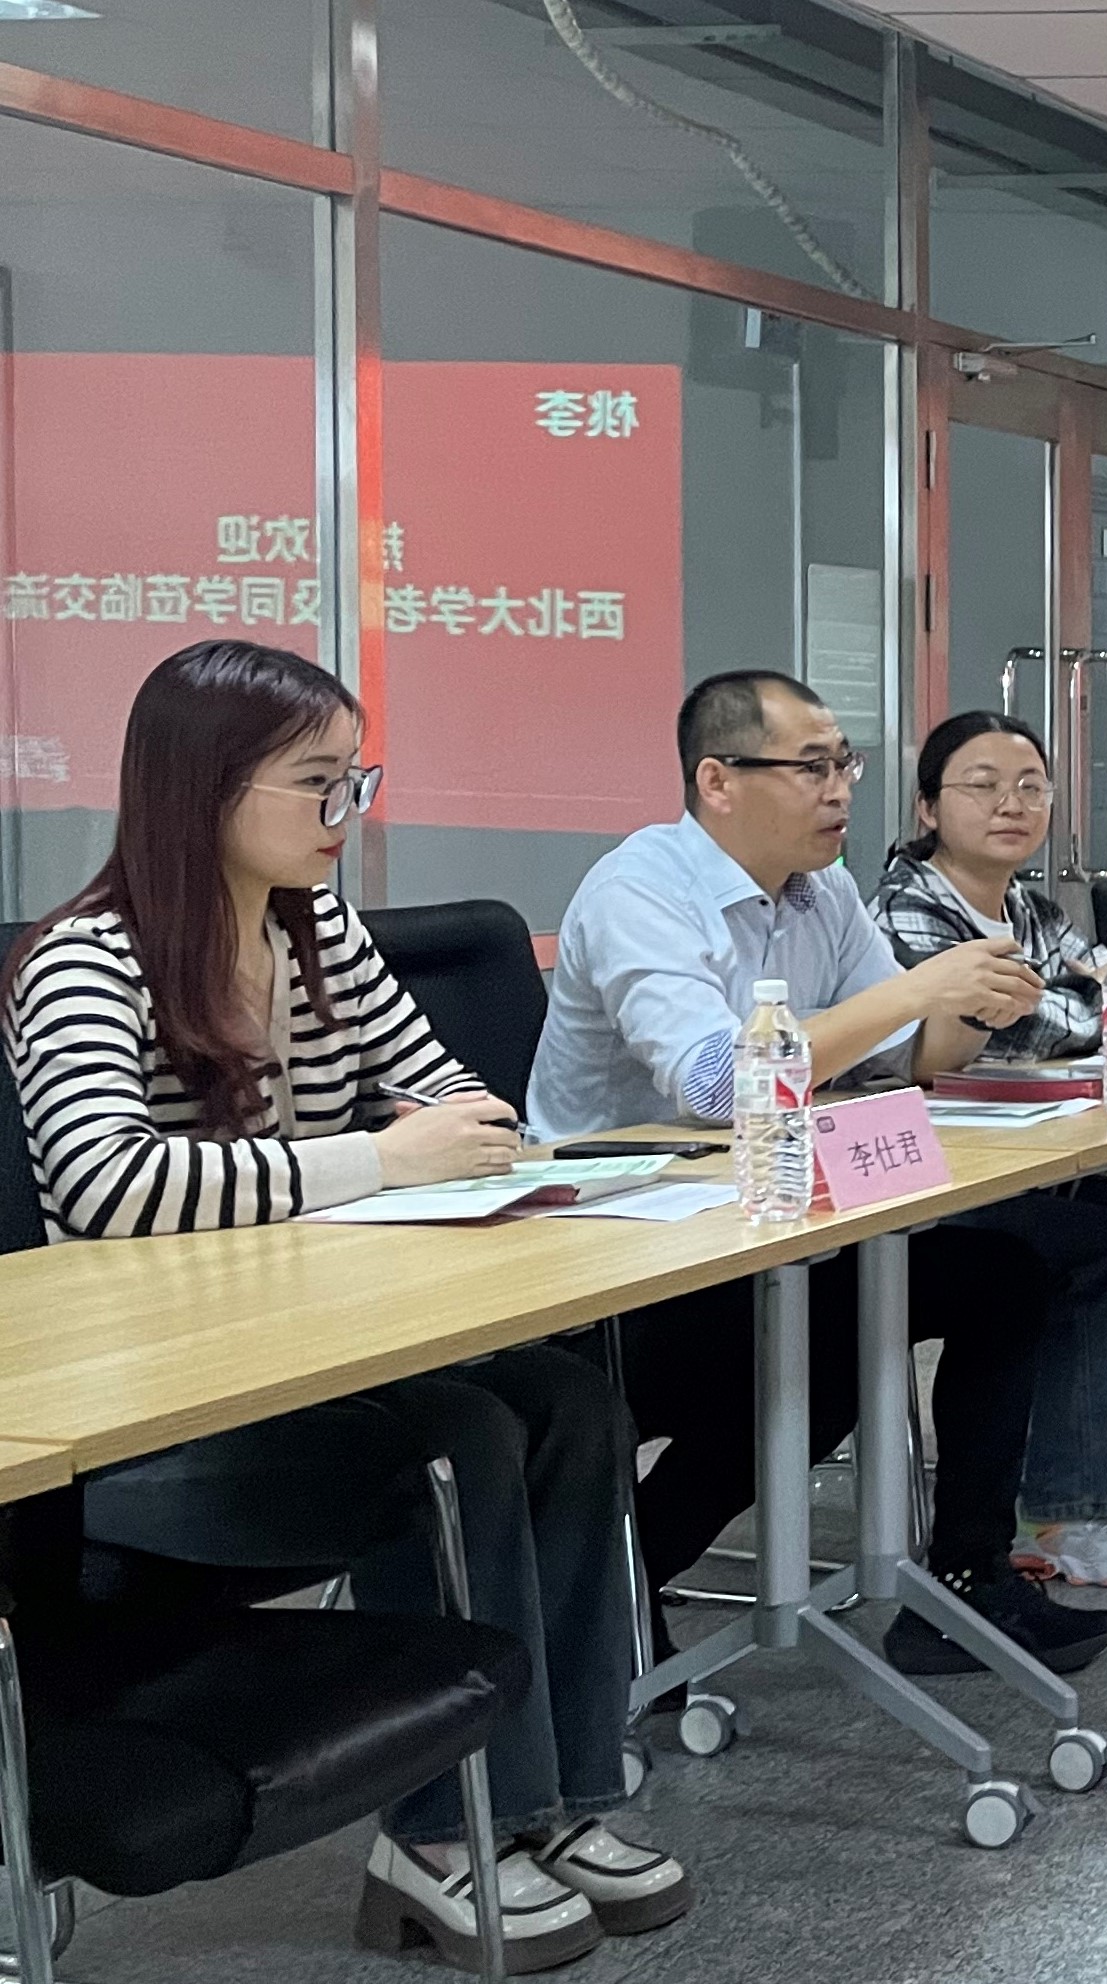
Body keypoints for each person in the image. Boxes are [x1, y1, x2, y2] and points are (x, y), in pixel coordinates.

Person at [3, 640, 681, 1972]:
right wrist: (375, 1162)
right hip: (154, 1422)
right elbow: (103, 1182)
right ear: (207, 787)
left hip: (308, 1362)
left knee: (569, 1404)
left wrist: (441, 1140)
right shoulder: (86, 960)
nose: (343, 815)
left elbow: (454, 1097)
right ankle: (441, 1836)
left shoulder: (317, 937)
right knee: (464, 1440)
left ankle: (563, 1799)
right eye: (316, 784)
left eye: (352, 781)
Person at [528, 670, 1107, 1674]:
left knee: (996, 1281)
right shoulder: (641, 890)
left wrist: (979, 998)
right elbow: (717, 1084)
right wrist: (920, 988)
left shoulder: (823, 890)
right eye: (812, 767)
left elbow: (905, 1055)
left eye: (845, 764)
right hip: (623, 1255)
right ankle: (605, 1602)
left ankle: (964, 1582)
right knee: (814, 1357)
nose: (841, 788)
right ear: (718, 780)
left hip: (770, 1223)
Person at [869, 710, 1107, 1586]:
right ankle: (1070, 1514)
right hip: (934, 1178)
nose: (1012, 803)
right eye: (983, 785)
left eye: (1031, 787)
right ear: (927, 807)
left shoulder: (1028, 906)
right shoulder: (908, 906)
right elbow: (1038, 1023)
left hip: (1015, 1152)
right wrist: (1086, 1009)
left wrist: (1082, 1007)